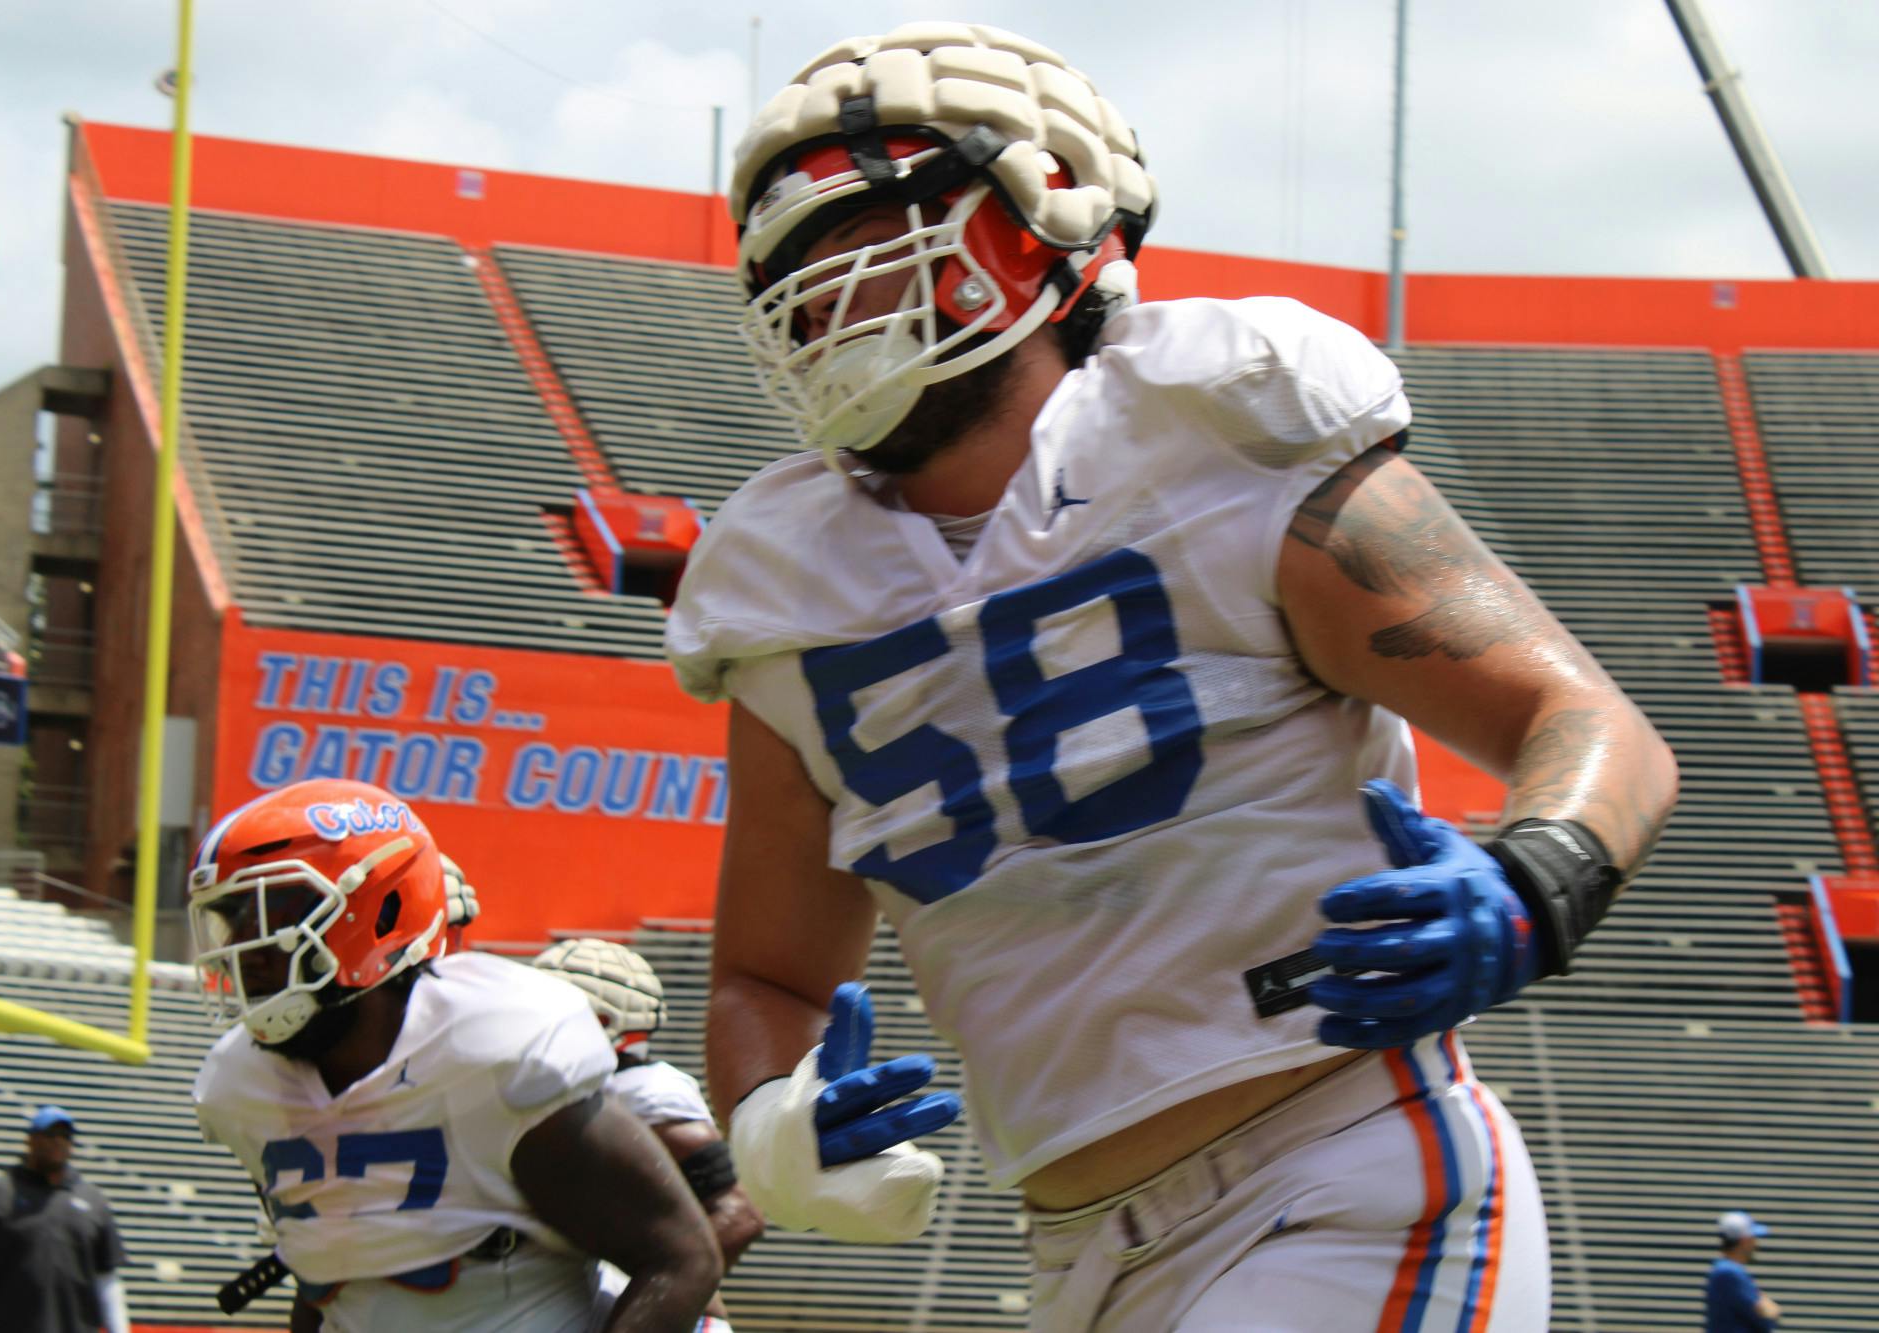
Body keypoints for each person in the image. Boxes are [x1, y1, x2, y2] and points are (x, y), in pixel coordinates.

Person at [666, 21, 1679, 1332]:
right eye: (801, 255)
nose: (835, 284)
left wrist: (1529, 882)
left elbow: (1588, 722)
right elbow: (769, 979)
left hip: (1345, 1178)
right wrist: (774, 1122)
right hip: (1077, 1257)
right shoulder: (782, 586)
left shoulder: (1217, 434)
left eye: (883, 221)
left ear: (1054, 219)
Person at [187, 778, 721, 1333]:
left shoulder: (494, 1052)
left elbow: (680, 1258)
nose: (243, 950)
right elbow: (324, 1282)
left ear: (381, 909)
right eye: (234, 919)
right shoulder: (240, 1087)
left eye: (271, 914)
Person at [535, 938, 766, 1333]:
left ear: (603, 1022)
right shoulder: (566, 1091)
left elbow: (738, 1216)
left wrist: (647, 1302)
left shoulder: (641, 1090)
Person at [0, 1105, 130, 1333]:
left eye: (65, 1136)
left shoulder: (93, 1202)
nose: (58, 1142)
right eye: (50, 1135)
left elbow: (108, 1284)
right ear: (31, 1140)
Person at [1706, 1211, 1779, 1331]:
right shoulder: (1728, 1273)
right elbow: (1766, 1315)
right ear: (1744, 1241)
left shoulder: (1728, 1270)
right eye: (1754, 1238)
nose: (1756, 1244)